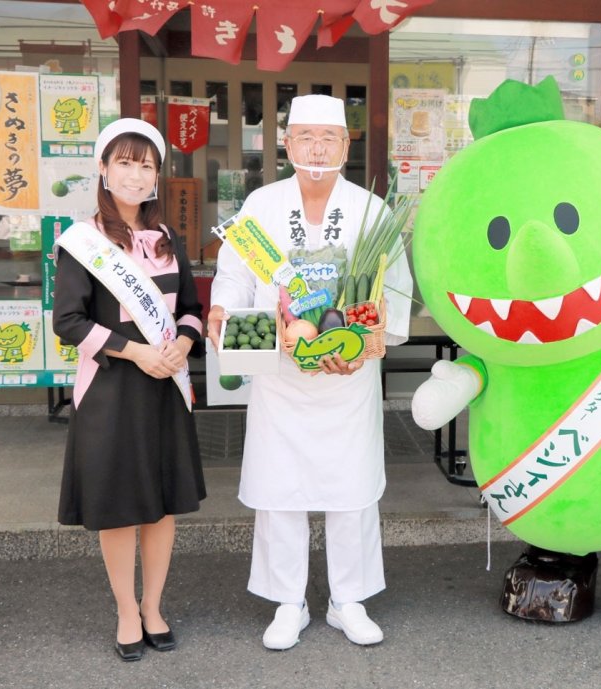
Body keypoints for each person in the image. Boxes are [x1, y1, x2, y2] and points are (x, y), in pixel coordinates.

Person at [207, 95, 413, 650]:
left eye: (329, 137)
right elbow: (235, 276)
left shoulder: (373, 212)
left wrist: (371, 343)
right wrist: (223, 309)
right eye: (305, 137)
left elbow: (393, 290)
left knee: (351, 489)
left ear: (346, 146)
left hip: (348, 378)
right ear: (286, 143)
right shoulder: (261, 205)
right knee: (282, 489)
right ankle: (288, 601)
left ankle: (349, 600)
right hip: (280, 377)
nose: (317, 147)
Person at [53, 118, 206, 662]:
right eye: (125, 162)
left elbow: (191, 309)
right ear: (102, 168)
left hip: (166, 389)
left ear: (157, 176)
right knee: (120, 506)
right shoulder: (82, 241)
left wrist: (183, 345)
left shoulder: (167, 240)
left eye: (147, 165)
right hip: (112, 391)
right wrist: (138, 351)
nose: (136, 175)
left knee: (160, 506)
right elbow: (68, 322)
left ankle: (154, 607)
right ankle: (125, 610)